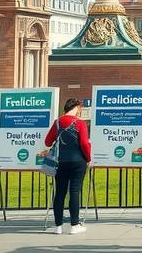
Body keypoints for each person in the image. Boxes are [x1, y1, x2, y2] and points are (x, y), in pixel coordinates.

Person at [44, 98, 92, 235]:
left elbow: (47, 142)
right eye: (80, 109)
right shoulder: (80, 123)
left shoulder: (57, 122)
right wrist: (88, 158)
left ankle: (58, 226)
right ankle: (74, 226)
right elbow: (84, 143)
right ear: (77, 107)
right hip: (78, 162)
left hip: (60, 162)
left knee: (60, 193)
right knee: (74, 192)